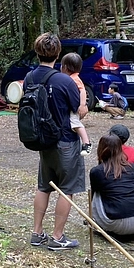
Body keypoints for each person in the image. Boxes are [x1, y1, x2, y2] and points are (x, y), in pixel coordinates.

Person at [28, 32, 85, 251]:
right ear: (58, 53)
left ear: (37, 51)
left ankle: (37, 232)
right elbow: (77, 112)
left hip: (42, 140)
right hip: (65, 141)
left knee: (44, 186)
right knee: (66, 188)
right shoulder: (64, 80)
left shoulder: (31, 77)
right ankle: (57, 236)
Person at [88, 134, 134, 239]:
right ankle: (128, 229)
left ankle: (110, 227)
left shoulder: (97, 171)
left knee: (97, 193)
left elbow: (94, 194)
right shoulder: (132, 166)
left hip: (117, 220)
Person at [60, 52, 91, 156]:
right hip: (73, 107)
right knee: (73, 124)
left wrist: (82, 105)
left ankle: (86, 143)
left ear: (65, 67)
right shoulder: (74, 78)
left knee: (75, 123)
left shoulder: (73, 79)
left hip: (76, 108)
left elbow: (83, 91)